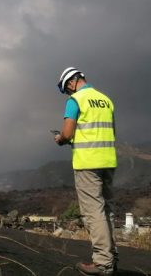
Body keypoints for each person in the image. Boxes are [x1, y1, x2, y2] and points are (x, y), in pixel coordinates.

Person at [54, 67, 118, 276]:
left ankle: (102, 263)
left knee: (93, 212)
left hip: (87, 162)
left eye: (66, 89)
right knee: (106, 210)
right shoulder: (105, 99)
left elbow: (68, 132)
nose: (68, 93)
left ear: (71, 82)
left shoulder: (76, 101)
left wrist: (60, 139)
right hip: (108, 161)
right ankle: (111, 258)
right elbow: (111, 131)